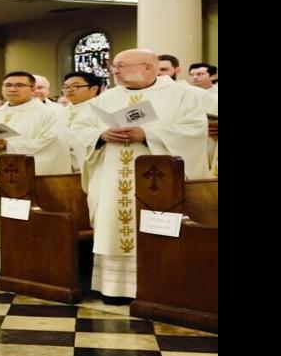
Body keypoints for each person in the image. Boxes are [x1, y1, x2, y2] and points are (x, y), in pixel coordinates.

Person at [77, 48, 209, 302]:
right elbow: (79, 129)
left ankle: (161, 285)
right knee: (112, 224)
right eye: (113, 66)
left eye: (121, 66)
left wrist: (149, 134)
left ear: (148, 67)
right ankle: (115, 289)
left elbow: (194, 130)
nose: (114, 71)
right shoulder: (105, 98)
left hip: (160, 180)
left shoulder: (182, 95)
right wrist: (101, 136)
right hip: (111, 178)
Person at [0, 71, 68, 275]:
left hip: (27, 178)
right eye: (8, 85)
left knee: (23, 218)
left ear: (32, 89)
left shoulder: (48, 114)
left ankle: (25, 264)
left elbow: (52, 142)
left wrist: (9, 145)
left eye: (19, 85)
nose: (12, 89)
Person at [59, 71, 104, 172]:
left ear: (94, 89)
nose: (69, 90)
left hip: (93, 165)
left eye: (76, 86)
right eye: (66, 87)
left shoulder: (102, 110)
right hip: (64, 166)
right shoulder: (59, 112)